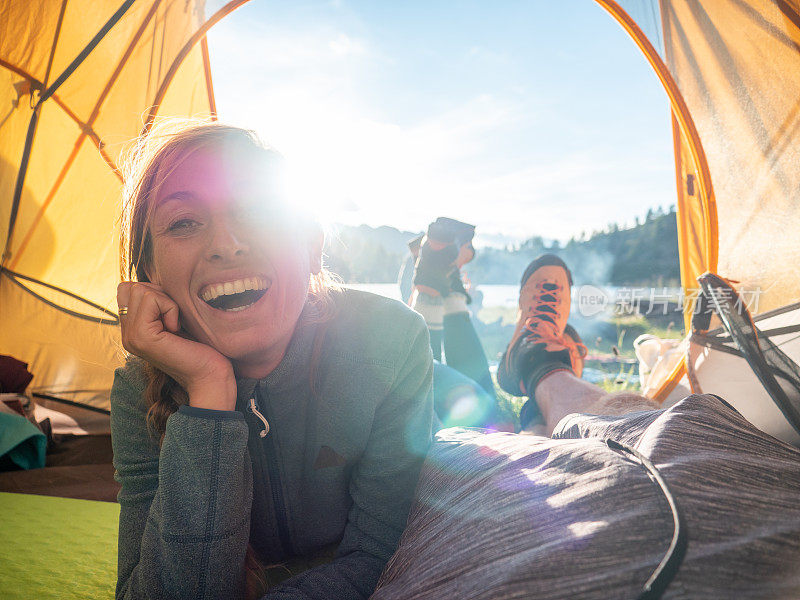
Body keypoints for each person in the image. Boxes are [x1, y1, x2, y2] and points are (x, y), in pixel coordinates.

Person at [111, 122, 433, 600]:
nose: (227, 244)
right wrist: (208, 394)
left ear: (312, 247)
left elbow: (376, 554)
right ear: (150, 276)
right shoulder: (137, 389)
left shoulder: (391, 340)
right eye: (183, 222)